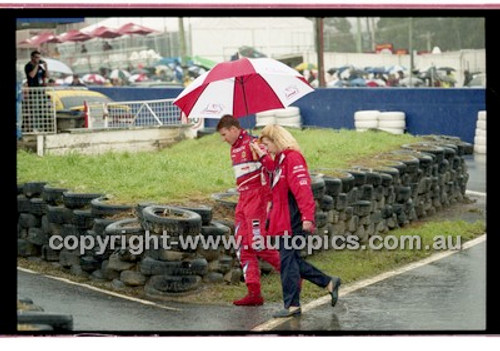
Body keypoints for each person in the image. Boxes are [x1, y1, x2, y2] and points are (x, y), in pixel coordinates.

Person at [250, 124, 341, 318]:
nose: (266, 148)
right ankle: (328, 282)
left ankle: (292, 305)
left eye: (267, 144)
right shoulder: (281, 159)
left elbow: (303, 189)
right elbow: (274, 171)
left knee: (287, 261)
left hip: (294, 218)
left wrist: (308, 217)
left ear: (277, 140)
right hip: (283, 218)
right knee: (290, 261)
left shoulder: (293, 158)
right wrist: (262, 155)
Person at [216, 115, 281, 306]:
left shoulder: (253, 143)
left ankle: (293, 274)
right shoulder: (234, 148)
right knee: (242, 245)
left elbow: (272, 167)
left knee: (257, 243)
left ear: (234, 129)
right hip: (243, 199)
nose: (223, 138)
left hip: (257, 197)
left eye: (224, 134)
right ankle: (254, 292)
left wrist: (259, 152)